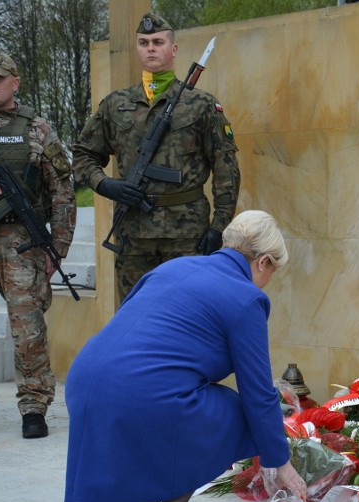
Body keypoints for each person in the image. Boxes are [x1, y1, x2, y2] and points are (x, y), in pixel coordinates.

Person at [64, 210, 307, 502]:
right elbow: (257, 393)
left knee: (175, 402)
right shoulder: (245, 297)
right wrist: (279, 461)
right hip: (139, 391)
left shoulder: (172, 267)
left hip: (86, 381)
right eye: (273, 272)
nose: (268, 280)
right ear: (264, 262)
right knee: (234, 412)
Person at [72, 11, 240, 303]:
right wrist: (105, 184)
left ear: (173, 50)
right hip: (133, 235)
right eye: (144, 42)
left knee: (190, 316)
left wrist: (219, 227)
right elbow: (83, 155)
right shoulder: (115, 105)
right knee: (135, 317)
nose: (150, 48)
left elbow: (226, 168)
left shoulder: (200, 105)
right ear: (137, 48)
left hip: (188, 234)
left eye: (158, 42)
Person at [0, 51, 75, 438]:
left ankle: (34, 407)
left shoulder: (37, 128)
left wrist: (58, 247)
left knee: (27, 329)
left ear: (15, 81)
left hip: (22, 243)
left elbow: (62, 190)